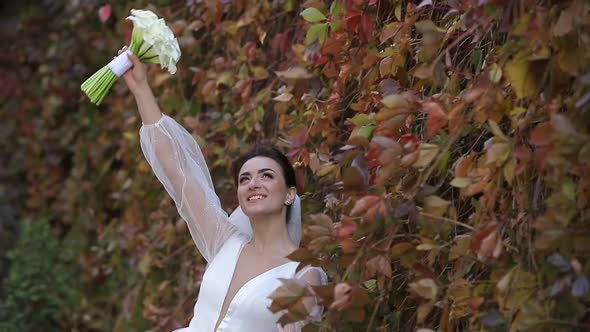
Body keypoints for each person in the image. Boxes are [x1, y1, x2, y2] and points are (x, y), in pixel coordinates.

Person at [117, 46, 328, 332]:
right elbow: (178, 171)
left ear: (290, 193)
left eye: (266, 175)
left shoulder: (304, 275)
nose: (253, 183)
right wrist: (140, 87)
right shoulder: (224, 241)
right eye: (245, 179)